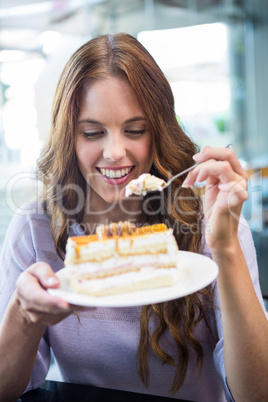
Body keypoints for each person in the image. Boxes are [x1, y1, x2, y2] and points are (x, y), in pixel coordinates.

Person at [0, 33, 267, 402]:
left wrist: (226, 248)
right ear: (69, 138)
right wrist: (23, 314)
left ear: (158, 130)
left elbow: (257, 393)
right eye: (93, 132)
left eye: (135, 130)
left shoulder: (213, 220)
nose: (114, 152)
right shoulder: (35, 229)